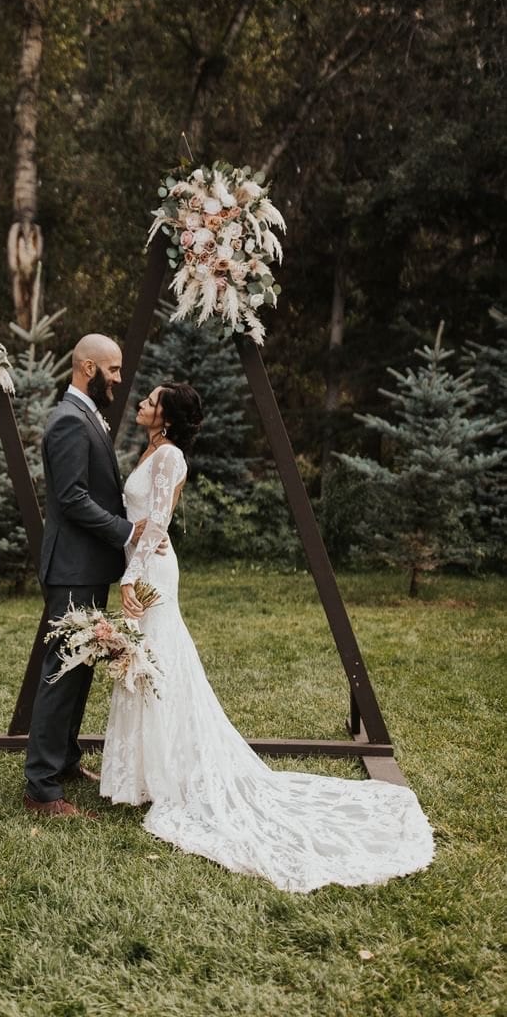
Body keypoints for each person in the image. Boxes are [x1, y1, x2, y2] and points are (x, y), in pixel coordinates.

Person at [100, 381, 435, 893]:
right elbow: (141, 518)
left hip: (151, 574)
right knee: (148, 662)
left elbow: (161, 521)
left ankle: (167, 775)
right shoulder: (152, 449)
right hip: (141, 563)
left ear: (164, 415)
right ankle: (145, 772)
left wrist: (131, 579)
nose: (142, 403)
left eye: (150, 400)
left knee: (155, 662)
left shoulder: (170, 458)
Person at [23, 334, 153, 818]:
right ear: (86, 367)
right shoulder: (68, 422)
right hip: (72, 567)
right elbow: (73, 499)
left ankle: (66, 759)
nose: (119, 379)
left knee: (79, 669)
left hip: (87, 565)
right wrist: (126, 531)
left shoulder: (85, 416)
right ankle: (41, 787)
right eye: (113, 370)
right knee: (62, 672)